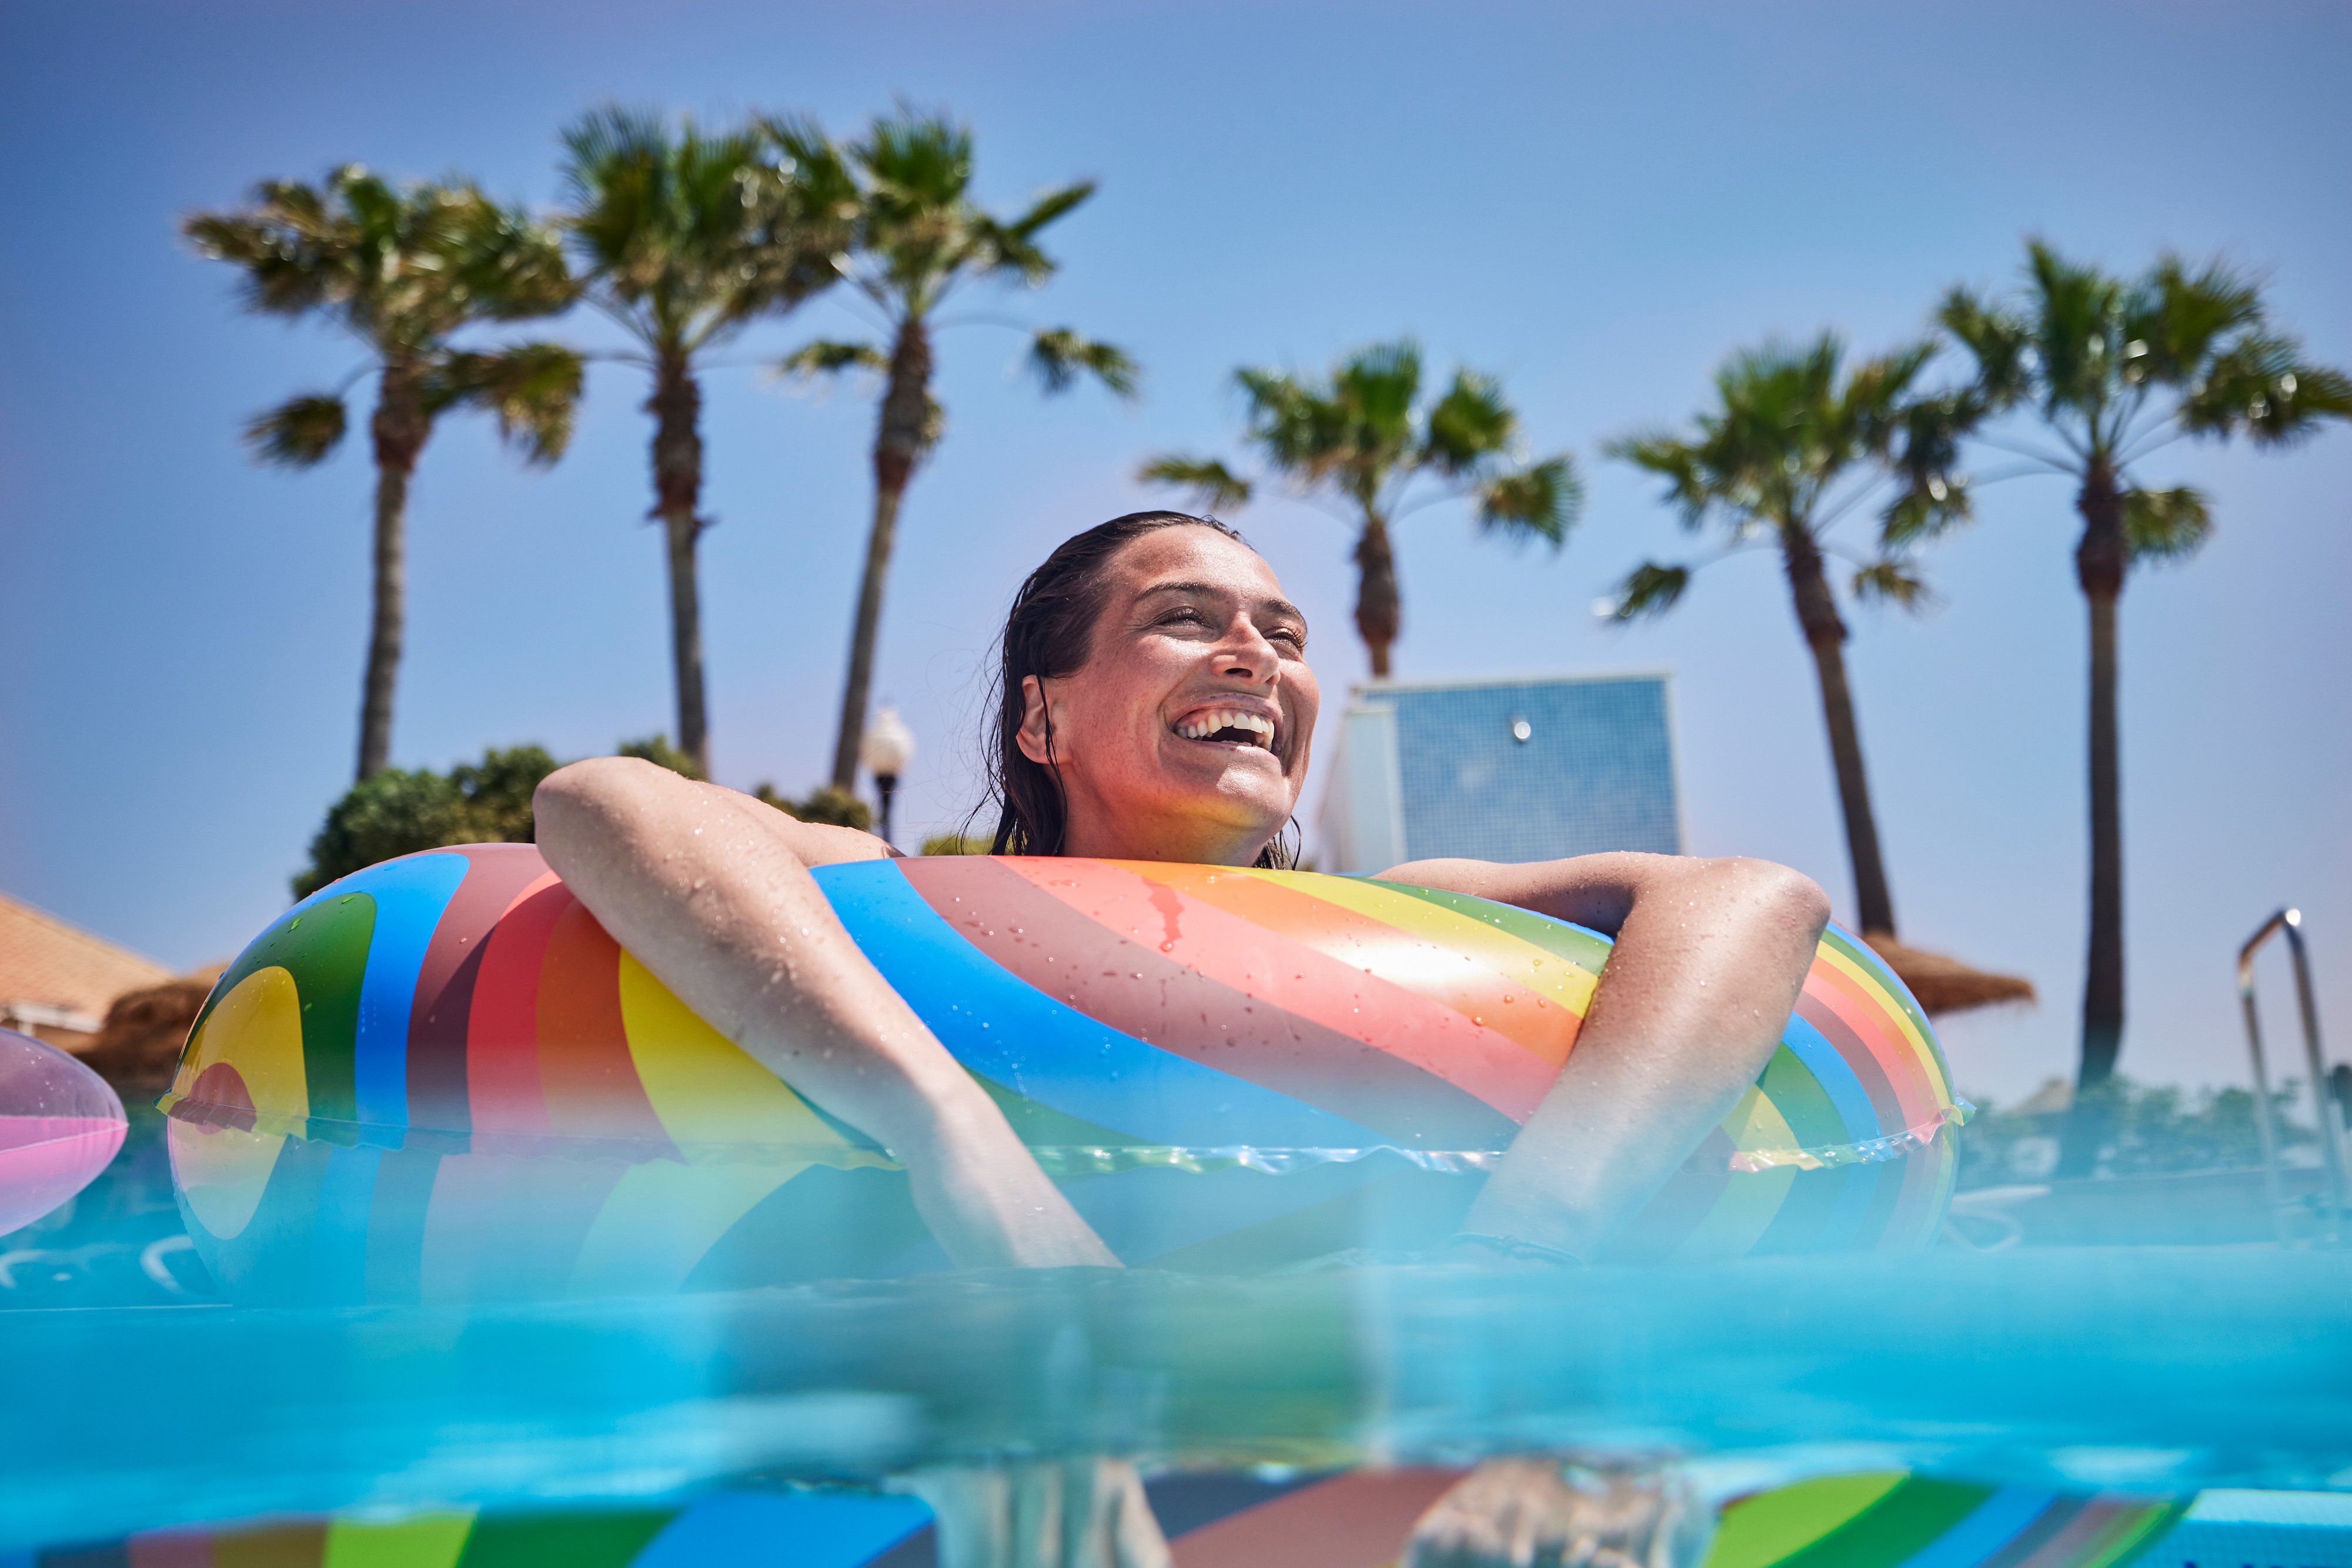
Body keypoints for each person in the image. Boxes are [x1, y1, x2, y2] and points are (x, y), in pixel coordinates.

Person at [534, 510, 1830, 1567]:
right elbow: (601, 800)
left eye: (1282, 633)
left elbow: (1751, 898)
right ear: (1040, 722)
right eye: (1181, 621)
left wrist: (1517, 1263)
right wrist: (960, 1142)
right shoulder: (914, 911)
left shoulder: (1407, 916)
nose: (1253, 656)